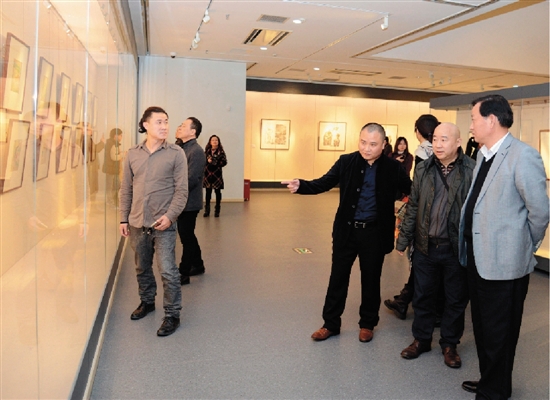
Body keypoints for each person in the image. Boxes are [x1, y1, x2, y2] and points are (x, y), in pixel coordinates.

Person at [282, 123, 411, 342]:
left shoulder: (393, 168)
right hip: (347, 231)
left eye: (373, 144)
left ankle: (367, 324)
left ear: (383, 144)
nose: (366, 148)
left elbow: (411, 190)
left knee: (371, 280)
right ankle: (330, 324)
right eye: (363, 142)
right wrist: (301, 185)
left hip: (374, 233)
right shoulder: (346, 161)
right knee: (338, 278)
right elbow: (324, 183)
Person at [459, 94, 549, 399]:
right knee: (483, 327)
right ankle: (492, 381)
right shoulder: (484, 155)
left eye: (473, 119)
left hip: (506, 261)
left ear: (491, 120)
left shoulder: (522, 156)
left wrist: (523, 245)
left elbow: (540, 212)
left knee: (500, 331)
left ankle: (494, 391)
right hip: (478, 257)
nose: (470, 126)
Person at [395, 122, 475, 368]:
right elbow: (414, 205)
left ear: (458, 142)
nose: (438, 145)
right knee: (423, 296)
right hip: (425, 246)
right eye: (435, 139)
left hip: (455, 248)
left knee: (455, 299)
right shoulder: (423, 168)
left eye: (444, 139)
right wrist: (403, 239)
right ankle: (421, 339)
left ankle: (449, 344)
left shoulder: (472, 169)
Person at [119, 106, 188, 337]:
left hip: (164, 223)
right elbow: (126, 189)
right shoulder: (133, 154)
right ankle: (147, 301)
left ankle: (172, 314)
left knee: (168, 270)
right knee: (142, 266)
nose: (165, 126)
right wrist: (123, 218)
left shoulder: (176, 153)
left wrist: (170, 216)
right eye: (159, 122)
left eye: (166, 121)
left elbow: (182, 191)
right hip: (138, 222)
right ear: (146, 125)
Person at [384, 114, 440, 320]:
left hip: (426, 216)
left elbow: (419, 191)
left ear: (418, 131)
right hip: (441, 216)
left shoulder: (422, 152)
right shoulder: (444, 150)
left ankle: (413, 302)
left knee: (421, 260)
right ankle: (405, 299)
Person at [175, 117, 206, 283]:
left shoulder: (196, 151)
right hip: (181, 200)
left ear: (193, 132)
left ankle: (184, 272)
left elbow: (192, 179)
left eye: (184, 125)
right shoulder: (182, 148)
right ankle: (198, 264)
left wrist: (174, 192)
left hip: (189, 202)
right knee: (187, 234)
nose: (180, 127)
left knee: (186, 236)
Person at [203, 135, 227, 217]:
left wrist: (214, 161)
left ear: (218, 142)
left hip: (217, 175)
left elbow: (224, 162)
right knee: (208, 193)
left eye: (216, 140)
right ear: (210, 142)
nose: (214, 141)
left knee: (217, 192)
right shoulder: (206, 152)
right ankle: (207, 210)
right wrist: (207, 161)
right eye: (213, 140)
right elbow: (202, 162)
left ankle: (217, 210)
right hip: (208, 175)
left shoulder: (221, 152)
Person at [103, 128, 123, 205]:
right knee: (112, 186)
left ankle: (113, 200)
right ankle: (110, 201)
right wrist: (122, 155)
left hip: (112, 168)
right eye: (120, 135)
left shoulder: (111, 143)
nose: (121, 137)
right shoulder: (113, 144)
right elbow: (114, 157)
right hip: (111, 169)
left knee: (115, 185)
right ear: (116, 136)